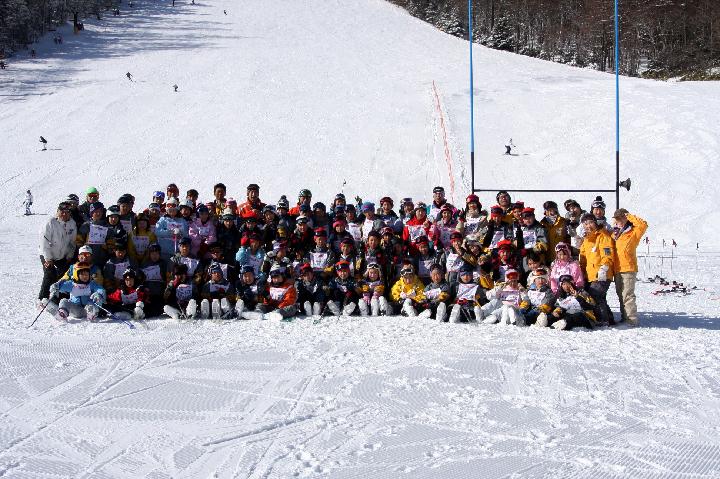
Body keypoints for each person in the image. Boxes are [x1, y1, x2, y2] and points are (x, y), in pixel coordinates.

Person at [611, 209, 648, 326]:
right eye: (617, 219)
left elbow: (643, 225)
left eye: (621, 218)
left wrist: (629, 216)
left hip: (628, 268)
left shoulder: (633, 232)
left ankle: (631, 320)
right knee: (620, 294)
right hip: (617, 269)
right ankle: (624, 317)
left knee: (627, 295)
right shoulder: (614, 233)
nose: (619, 221)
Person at [579, 213, 616, 325]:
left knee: (595, 294)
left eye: (590, 222)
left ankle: (603, 320)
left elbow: (607, 254)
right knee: (600, 297)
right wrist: (581, 272)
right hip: (591, 275)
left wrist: (604, 267)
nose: (588, 226)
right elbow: (583, 258)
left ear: (595, 223)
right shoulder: (586, 239)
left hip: (602, 274)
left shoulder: (603, 236)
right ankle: (609, 318)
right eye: (585, 224)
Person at [38, 202, 78, 301]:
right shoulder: (51, 223)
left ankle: (59, 298)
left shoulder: (72, 224)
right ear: (57, 211)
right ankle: (42, 299)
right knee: (49, 274)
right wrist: (48, 259)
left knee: (63, 275)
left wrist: (69, 255)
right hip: (47, 254)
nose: (64, 214)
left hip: (62, 255)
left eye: (66, 212)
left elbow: (72, 243)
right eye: (61, 211)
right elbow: (44, 242)